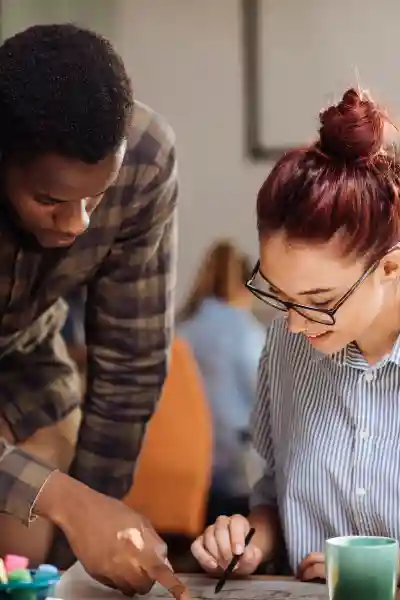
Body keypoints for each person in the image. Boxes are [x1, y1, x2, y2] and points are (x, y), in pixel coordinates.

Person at [191, 88, 400, 580]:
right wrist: (249, 539)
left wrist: (377, 575)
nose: (294, 323)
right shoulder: (289, 345)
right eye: (281, 296)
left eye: (321, 302)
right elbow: (277, 495)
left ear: (390, 268)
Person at [0, 23, 177, 595]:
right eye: (49, 200)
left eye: (95, 199)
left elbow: (131, 359)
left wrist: (98, 515)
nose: (77, 224)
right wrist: (69, 503)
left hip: (27, 366)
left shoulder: (145, 159)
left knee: (20, 551)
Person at [178, 241, 265, 522]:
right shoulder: (245, 331)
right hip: (232, 473)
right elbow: (270, 394)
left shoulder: (182, 330)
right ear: (245, 288)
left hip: (183, 467)